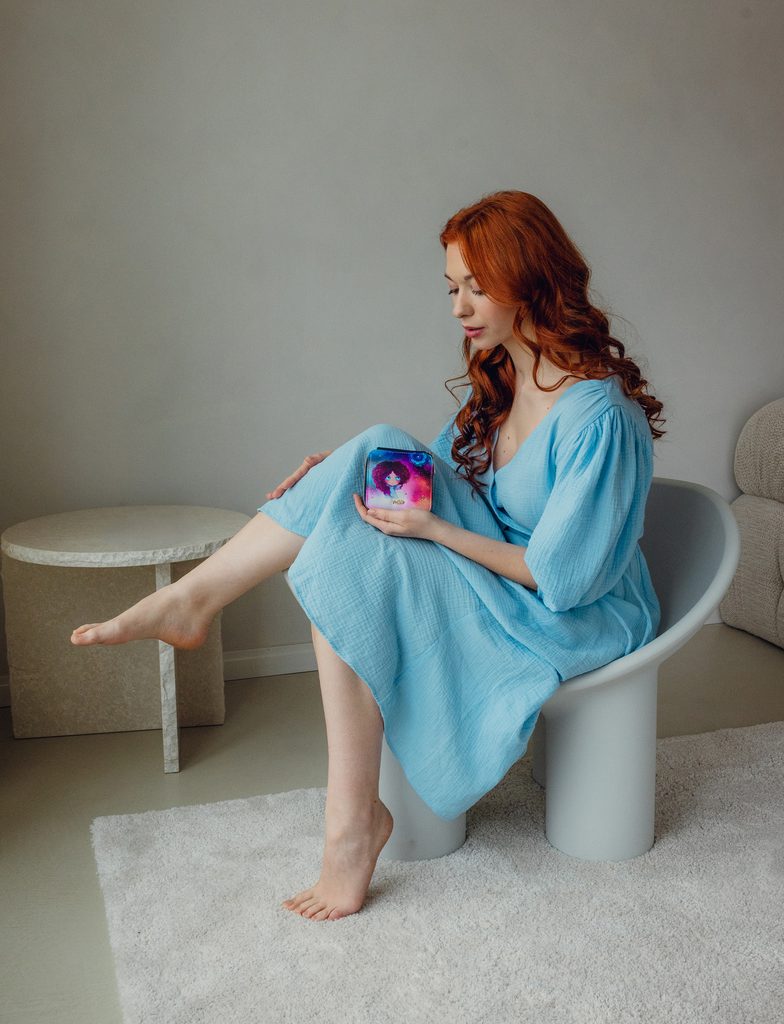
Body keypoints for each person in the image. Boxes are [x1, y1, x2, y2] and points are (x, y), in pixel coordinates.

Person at [70, 189, 665, 923]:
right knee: (358, 502)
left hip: (574, 615)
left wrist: (436, 532)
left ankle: (346, 820)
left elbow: (562, 579)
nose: (459, 307)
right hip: (502, 579)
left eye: (477, 287)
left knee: (352, 556)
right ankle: (337, 801)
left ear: (532, 279)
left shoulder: (600, 417)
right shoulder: (507, 381)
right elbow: (430, 477)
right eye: (451, 287)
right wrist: (339, 475)